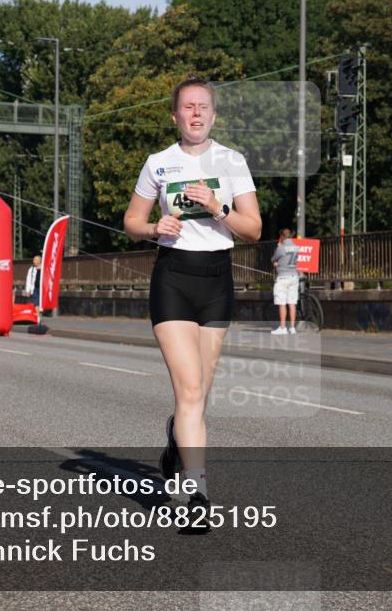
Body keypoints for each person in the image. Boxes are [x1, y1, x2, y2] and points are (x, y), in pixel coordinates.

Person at [123, 75, 261, 525]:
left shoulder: (231, 161)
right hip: (173, 278)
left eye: (203, 106)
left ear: (213, 115)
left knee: (198, 393)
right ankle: (197, 496)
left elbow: (254, 228)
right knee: (188, 389)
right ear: (175, 116)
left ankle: (174, 437)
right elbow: (131, 221)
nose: (196, 113)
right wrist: (153, 228)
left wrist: (219, 207)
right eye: (188, 107)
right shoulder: (157, 163)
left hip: (217, 279)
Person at [271, 228, 301, 335]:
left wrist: (276, 261)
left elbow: (273, 259)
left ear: (282, 236)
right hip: (294, 276)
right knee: (292, 302)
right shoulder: (297, 248)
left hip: (283, 277)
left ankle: (283, 327)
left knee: (282, 303)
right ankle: (292, 328)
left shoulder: (281, 248)